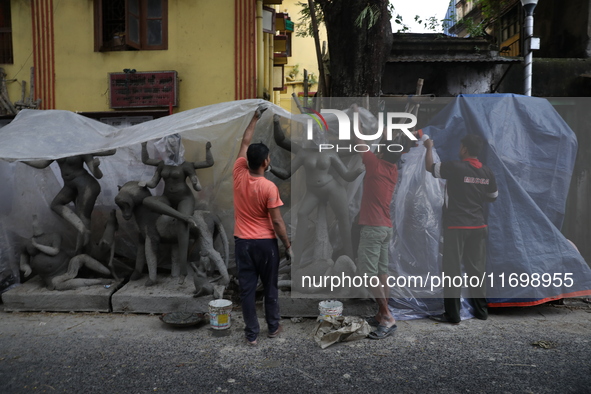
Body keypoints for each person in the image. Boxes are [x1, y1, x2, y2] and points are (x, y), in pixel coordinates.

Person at [233, 107, 292, 346]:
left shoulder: (238, 173)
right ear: (266, 162)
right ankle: (273, 327)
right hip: (266, 244)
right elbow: (277, 221)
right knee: (270, 287)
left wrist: (254, 118)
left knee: (247, 289)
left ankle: (251, 334)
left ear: (247, 162)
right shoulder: (269, 188)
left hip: (242, 243)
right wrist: (287, 244)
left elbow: (245, 141)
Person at [424, 134, 498, 324]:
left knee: (453, 271)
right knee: (477, 271)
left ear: (464, 149)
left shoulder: (455, 167)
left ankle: (453, 314)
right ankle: (481, 311)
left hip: (456, 226)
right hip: (478, 226)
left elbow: (430, 167)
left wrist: (429, 148)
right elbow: (492, 197)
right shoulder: (487, 172)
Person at [354, 108, 403, 340]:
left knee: (368, 273)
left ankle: (386, 316)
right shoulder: (392, 169)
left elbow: (359, 140)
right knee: (382, 272)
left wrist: (356, 117)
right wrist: (384, 132)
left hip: (373, 229)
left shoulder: (374, 165)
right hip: (385, 228)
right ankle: (381, 312)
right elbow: (385, 144)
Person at [139, 136, 214, 283]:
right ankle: (182, 216)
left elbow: (208, 163)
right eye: (168, 146)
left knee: (182, 227)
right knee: (146, 200)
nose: (170, 149)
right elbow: (152, 178)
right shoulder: (162, 165)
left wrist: (207, 151)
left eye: (173, 146)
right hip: (167, 197)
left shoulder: (186, 165)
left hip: (184, 198)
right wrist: (143, 147)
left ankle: (183, 272)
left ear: (179, 147)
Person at [24, 150, 116, 252]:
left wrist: (96, 166)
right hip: (70, 185)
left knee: (84, 217)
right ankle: (81, 229)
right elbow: (42, 164)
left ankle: (81, 251)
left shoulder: (83, 148)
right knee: (55, 205)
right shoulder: (57, 149)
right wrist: (21, 159)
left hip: (86, 185)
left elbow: (98, 175)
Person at [19, 215, 113, 290]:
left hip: (67, 266)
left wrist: (37, 245)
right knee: (58, 284)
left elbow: (55, 251)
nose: (35, 226)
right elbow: (23, 261)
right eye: (32, 224)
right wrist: (27, 268)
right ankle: (99, 281)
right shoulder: (26, 243)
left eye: (37, 223)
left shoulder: (54, 236)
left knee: (82, 257)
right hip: (52, 276)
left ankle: (108, 273)